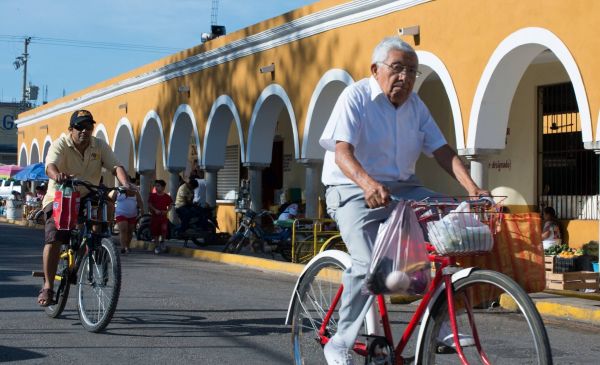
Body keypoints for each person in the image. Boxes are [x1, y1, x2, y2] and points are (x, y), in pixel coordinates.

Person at [319, 37, 488, 364]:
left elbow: (441, 150)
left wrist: (471, 187)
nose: (406, 78)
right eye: (397, 69)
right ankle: (339, 340)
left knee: (451, 230)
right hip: (352, 188)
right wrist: (367, 183)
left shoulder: (416, 106)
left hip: (403, 188)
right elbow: (342, 152)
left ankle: (440, 323)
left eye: (412, 71)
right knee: (368, 264)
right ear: (375, 70)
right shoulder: (355, 97)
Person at [37, 109, 134, 306]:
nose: (84, 131)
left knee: (105, 203)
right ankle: (48, 286)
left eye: (88, 127)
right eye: (79, 127)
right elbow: (50, 166)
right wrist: (57, 176)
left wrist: (126, 184)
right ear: (71, 129)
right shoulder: (61, 144)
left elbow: (116, 166)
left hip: (88, 192)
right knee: (55, 236)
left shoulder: (98, 145)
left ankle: (97, 246)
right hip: (61, 194)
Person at [110, 186, 143, 254]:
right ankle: (123, 247)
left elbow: (139, 201)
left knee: (130, 231)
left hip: (132, 214)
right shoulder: (117, 190)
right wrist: (111, 212)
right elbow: (111, 201)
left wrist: (142, 210)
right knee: (123, 229)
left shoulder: (135, 191)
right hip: (120, 214)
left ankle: (127, 246)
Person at [148, 179, 173, 254]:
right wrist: (155, 210)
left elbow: (171, 204)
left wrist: (167, 211)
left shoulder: (166, 196)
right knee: (156, 232)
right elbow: (149, 204)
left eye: (158, 186)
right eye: (156, 185)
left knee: (164, 230)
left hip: (163, 217)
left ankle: (162, 242)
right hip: (155, 217)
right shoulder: (153, 195)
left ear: (163, 187)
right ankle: (157, 246)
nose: (156, 187)